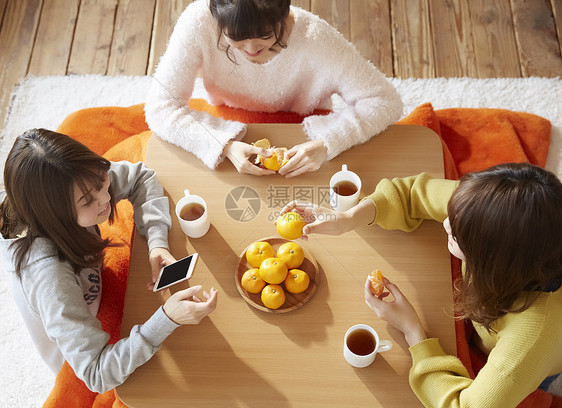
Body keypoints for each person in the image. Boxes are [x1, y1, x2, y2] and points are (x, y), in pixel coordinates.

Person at [280, 163, 562, 407]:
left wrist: (412, 330)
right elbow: (410, 193)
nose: (447, 224)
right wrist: (349, 218)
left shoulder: (535, 335)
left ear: (495, 263)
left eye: (460, 234)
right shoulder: (496, 209)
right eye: (453, 214)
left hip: (525, 359)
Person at [0, 129, 218, 393]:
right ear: (56, 215)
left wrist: (157, 241)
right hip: (81, 354)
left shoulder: (81, 182)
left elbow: (140, 177)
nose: (106, 198)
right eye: (87, 201)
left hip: (95, 293)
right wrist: (167, 319)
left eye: (101, 180)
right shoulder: (49, 278)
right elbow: (95, 373)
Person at [145, 0, 403, 178]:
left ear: (283, 13)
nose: (251, 49)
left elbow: (385, 100)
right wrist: (224, 145)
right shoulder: (198, 21)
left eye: (265, 36)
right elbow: (160, 108)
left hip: (304, 132)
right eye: (236, 37)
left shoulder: (318, 39)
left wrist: (327, 143)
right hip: (228, 122)